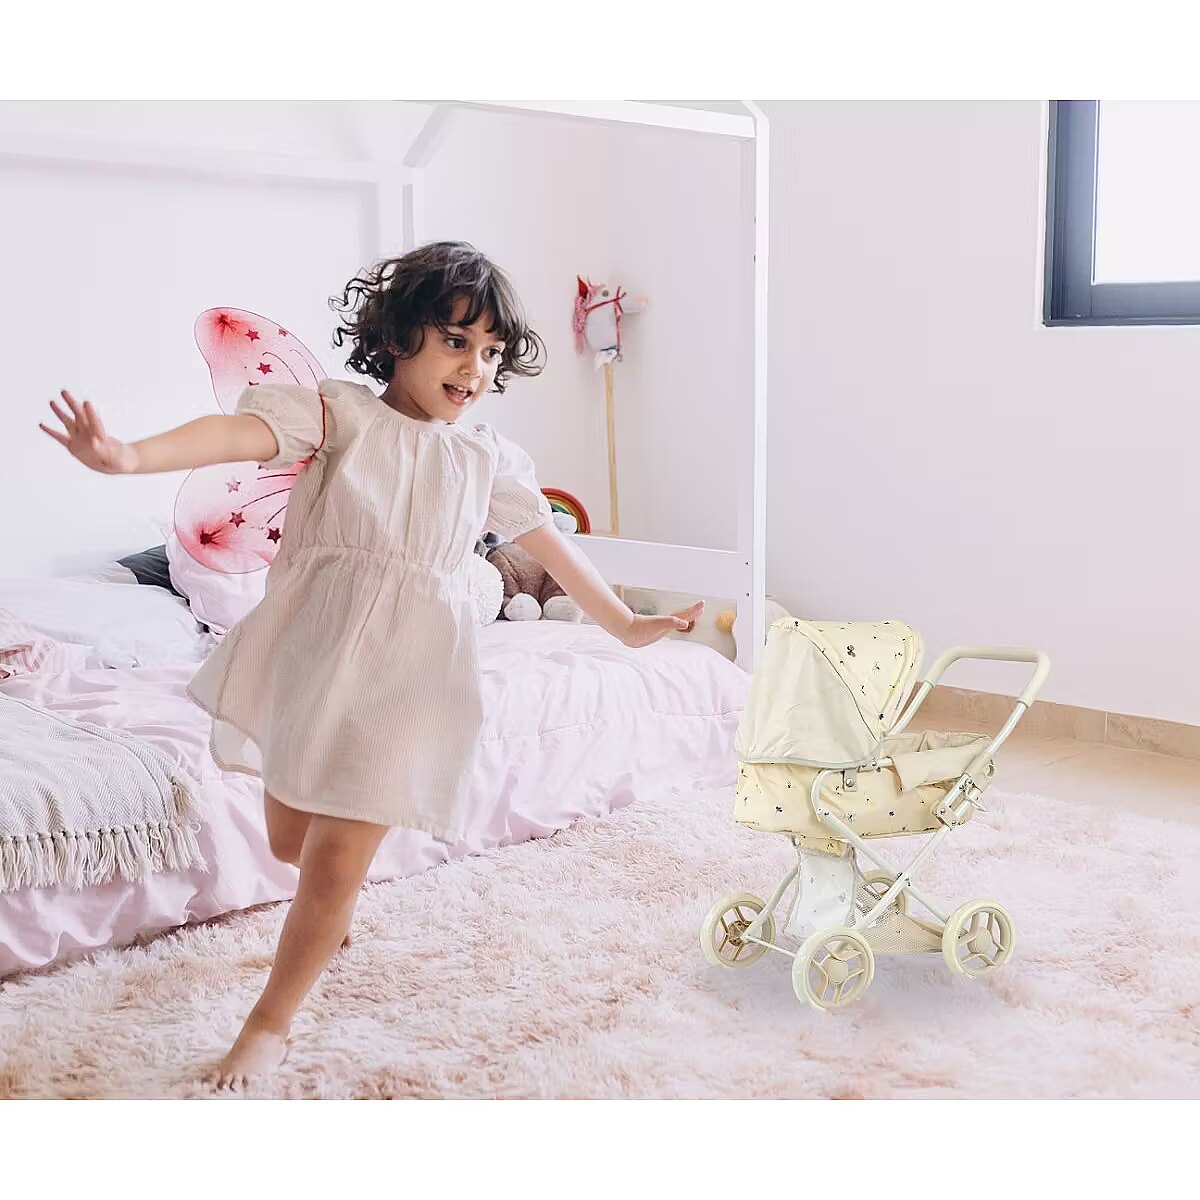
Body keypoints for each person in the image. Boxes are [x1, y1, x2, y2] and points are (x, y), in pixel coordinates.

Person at [40, 241, 701, 1090]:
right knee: (290, 839)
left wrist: (626, 624)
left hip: (409, 681)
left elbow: (553, 547)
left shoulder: (484, 459)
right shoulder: (339, 416)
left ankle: (269, 1025)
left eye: (491, 352)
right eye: (456, 342)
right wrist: (129, 455)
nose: (475, 369)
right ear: (397, 337)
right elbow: (237, 432)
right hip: (313, 661)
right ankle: (332, 906)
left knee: (332, 864)